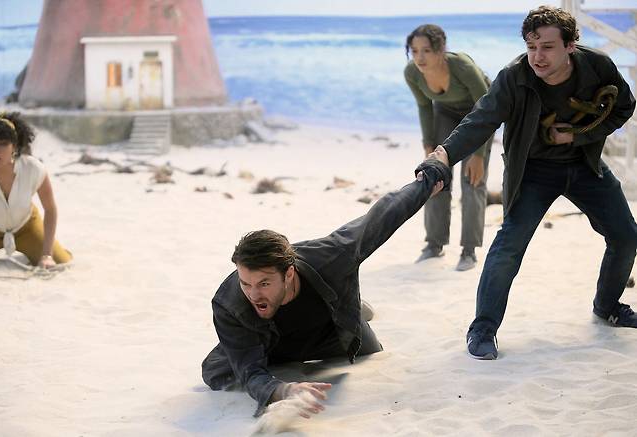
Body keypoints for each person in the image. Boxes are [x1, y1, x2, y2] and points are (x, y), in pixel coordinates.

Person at [425, 6, 637, 360]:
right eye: (531, 46)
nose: (537, 56)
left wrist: (578, 136)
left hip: (585, 165)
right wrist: (444, 155)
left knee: (626, 236)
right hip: (533, 171)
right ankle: (483, 329)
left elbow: (623, 107)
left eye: (548, 47)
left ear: (570, 46)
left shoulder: (597, 66)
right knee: (508, 246)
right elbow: (480, 120)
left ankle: (608, 306)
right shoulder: (514, 77)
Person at [202, 151, 451, 417]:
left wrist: (431, 175)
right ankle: (354, 307)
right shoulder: (229, 304)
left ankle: (356, 308)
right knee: (215, 372)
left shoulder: (331, 256)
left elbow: (382, 216)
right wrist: (282, 391)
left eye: (264, 283)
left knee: (370, 352)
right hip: (272, 345)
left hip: (329, 331)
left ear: (289, 273)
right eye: (246, 283)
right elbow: (250, 371)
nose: (253, 294)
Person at [404, 24, 495, 271]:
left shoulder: (462, 66)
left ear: (441, 49)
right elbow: (425, 107)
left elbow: (488, 108)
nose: (420, 58)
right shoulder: (412, 72)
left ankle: (469, 250)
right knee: (434, 177)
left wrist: (478, 155)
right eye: (414, 51)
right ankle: (434, 244)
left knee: (472, 181)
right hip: (444, 113)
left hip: (478, 115)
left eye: (426, 50)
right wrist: (428, 144)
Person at [0, 112, 72, 268]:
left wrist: (47, 255)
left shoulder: (33, 168)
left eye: (3, 144)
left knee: (61, 262)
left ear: (14, 147)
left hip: (26, 228)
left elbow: (50, 209)